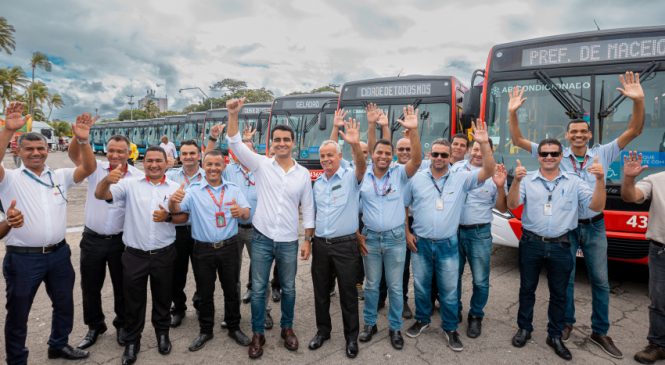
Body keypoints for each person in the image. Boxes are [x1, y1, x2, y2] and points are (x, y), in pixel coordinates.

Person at [508, 71, 644, 359]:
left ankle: (600, 331)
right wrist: (513, 113)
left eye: (583, 132)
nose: (579, 135)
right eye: (574, 133)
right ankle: (564, 325)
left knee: (600, 279)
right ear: (566, 137)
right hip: (565, 229)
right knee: (564, 281)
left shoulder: (603, 153)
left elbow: (634, 130)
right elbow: (518, 139)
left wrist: (638, 101)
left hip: (594, 225)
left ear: (590, 135)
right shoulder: (554, 153)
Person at [0, 101, 97, 364]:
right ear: (17, 151)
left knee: (64, 304)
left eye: (40, 148)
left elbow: (88, 169)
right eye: (29, 149)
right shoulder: (9, 178)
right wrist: (8, 131)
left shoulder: (59, 176)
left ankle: (58, 345)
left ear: (47, 150)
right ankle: (17, 359)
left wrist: (83, 141)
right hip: (23, 258)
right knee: (18, 312)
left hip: (58, 254)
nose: (36, 153)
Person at [225, 98, 315, 359]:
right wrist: (233, 114)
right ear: (271, 143)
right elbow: (235, 144)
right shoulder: (261, 165)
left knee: (289, 288)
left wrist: (308, 239)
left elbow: (308, 209)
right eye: (277, 139)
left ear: (293, 142)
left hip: (288, 241)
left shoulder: (302, 174)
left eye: (286, 139)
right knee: (259, 287)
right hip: (262, 238)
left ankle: (287, 328)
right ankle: (257, 333)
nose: (282, 143)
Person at [507, 138, 606, 361]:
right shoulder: (527, 179)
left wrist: (599, 180)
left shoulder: (574, 181)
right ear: (538, 156)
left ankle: (555, 335)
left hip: (562, 244)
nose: (549, 157)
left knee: (560, 293)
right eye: (544, 154)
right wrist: (515, 182)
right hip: (531, 242)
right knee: (527, 289)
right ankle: (524, 328)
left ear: (561, 156)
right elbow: (512, 205)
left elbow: (597, 206)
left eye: (553, 154)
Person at [404, 120, 496, 352]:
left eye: (444, 155)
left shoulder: (461, 178)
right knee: (422, 286)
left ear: (450, 157)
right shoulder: (417, 178)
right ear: (429, 154)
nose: (439, 158)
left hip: (448, 244)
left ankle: (450, 328)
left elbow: (489, 171)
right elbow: (404, 207)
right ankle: (423, 319)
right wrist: (406, 232)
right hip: (421, 243)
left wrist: (484, 143)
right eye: (435, 154)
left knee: (449, 289)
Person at [95, 146, 187, 365]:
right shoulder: (129, 184)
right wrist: (107, 180)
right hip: (134, 255)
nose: (153, 164)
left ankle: (162, 333)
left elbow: (183, 218)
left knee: (163, 297)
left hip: (164, 253)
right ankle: (132, 341)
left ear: (167, 163)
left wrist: (168, 216)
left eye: (158, 161)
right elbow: (101, 194)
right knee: (133, 301)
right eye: (149, 161)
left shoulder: (176, 187)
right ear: (143, 163)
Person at [169, 148, 252, 351]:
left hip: (229, 248)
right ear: (203, 166)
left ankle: (234, 327)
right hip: (203, 250)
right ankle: (205, 330)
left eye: (217, 164)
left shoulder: (233, 189)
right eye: (209, 164)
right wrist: (173, 200)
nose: (213, 168)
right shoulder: (193, 190)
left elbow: (247, 213)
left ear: (223, 166)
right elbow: (176, 211)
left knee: (231, 290)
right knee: (205, 292)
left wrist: (241, 211)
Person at [68, 134, 143, 350]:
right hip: (93, 239)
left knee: (123, 287)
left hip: (121, 241)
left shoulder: (137, 176)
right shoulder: (95, 168)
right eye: (111, 150)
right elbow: (73, 155)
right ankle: (95, 326)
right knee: (91, 286)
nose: (115, 155)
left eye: (120, 151)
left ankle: (122, 325)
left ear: (129, 153)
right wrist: (80, 138)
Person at [357, 105, 422, 350]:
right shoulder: (362, 175)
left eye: (387, 153)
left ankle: (395, 328)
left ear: (392, 155)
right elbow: (354, 208)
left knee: (395, 287)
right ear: (371, 155)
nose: (383, 156)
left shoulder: (399, 174)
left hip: (395, 239)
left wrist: (413, 131)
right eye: (379, 153)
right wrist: (357, 233)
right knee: (372, 285)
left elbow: (417, 160)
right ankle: (370, 324)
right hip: (371, 238)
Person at [207, 124, 276, 329]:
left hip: (259, 230)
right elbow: (208, 161)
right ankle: (232, 314)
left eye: (248, 150)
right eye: (240, 151)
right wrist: (212, 137)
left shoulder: (264, 169)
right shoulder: (227, 170)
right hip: (233, 230)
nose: (244, 154)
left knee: (261, 274)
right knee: (232, 275)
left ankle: (264, 312)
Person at [309, 117, 367, 358]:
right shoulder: (318, 184)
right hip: (321, 245)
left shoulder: (351, 177)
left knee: (348, 293)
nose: (326, 160)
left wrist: (354, 144)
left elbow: (362, 166)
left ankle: (351, 337)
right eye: (323, 157)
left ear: (340, 156)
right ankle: (323, 331)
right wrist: (307, 240)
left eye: (330, 155)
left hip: (346, 246)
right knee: (321, 292)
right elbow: (313, 214)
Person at [453, 139, 508, 339]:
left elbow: (502, 208)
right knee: (453, 276)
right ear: (469, 150)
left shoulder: (496, 173)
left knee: (481, 280)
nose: (478, 153)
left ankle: (476, 316)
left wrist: (501, 187)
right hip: (454, 232)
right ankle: (455, 309)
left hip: (479, 233)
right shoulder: (456, 168)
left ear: (490, 151)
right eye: (475, 149)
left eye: (482, 149)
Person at [620, 151, 665, 364]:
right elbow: (631, 197)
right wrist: (629, 178)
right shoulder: (656, 180)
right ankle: (658, 344)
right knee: (659, 300)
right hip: (661, 250)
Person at [165, 140, 205, 328]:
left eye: (192, 153)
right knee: (176, 273)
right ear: (180, 156)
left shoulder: (208, 176)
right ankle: (178, 308)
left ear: (199, 155)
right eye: (185, 153)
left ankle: (200, 304)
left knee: (202, 272)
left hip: (200, 231)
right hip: (177, 231)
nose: (188, 157)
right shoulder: (170, 176)